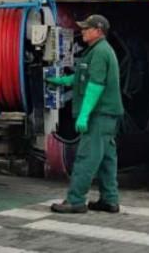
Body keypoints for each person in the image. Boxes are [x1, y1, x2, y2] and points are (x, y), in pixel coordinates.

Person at [45, 14, 124, 214]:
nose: (82, 31)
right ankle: (109, 199)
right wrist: (61, 81)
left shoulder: (100, 52)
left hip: (99, 115)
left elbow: (96, 85)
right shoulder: (96, 51)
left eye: (86, 28)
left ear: (98, 30)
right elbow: (82, 77)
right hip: (108, 116)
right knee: (106, 158)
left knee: (86, 157)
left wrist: (84, 115)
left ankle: (75, 200)